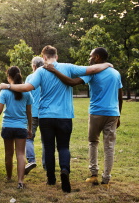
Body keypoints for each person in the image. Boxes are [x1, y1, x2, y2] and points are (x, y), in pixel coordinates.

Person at [0, 45, 112, 193]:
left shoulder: (40, 71)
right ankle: (64, 171)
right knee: (64, 147)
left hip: (46, 116)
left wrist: (7, 86)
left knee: (49, 148)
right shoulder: (68, 67)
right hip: (64, 116)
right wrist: (107, 64)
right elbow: (92, 69)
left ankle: (51, 179)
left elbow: (26, 87)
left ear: (44, 57)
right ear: (56, 56)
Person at [44, 47, 123, 189]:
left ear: (97, 57)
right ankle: (106, 179)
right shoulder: (116, 73)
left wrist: (55, 71)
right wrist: (119, 115)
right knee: (109, 146)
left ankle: (94, 175)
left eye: (91, 56)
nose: (89, 59)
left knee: (93, 142)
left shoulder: (93, 73)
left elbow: (72, 82)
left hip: (96, 112)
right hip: (113, 113)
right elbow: (120, 95)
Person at [0, 66, 33, 189]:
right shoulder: (26, 92)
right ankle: (20, 181)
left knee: (9, 154)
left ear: (9, 77)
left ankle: (9, 177)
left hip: (7, 126)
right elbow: (29, 113)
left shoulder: (4, 92)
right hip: (21, 127)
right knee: (20, 154)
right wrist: (29, 128)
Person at [25, 56, 45, 175]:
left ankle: (31, 160)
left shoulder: (30, 77)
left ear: (33, 66)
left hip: (32, 112)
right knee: (45, 140)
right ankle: (46, 164)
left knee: (29, 137)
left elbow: (26, 95)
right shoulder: (48, 77)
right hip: (45, 113)